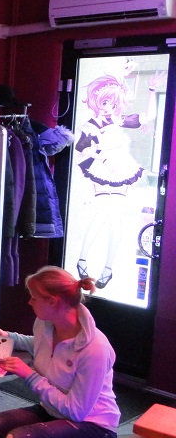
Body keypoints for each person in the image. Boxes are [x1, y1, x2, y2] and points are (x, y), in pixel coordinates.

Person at [0, 266, 120, 438]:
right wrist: (8, 337)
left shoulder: (95, 349)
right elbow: (38, 343)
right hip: (53, 412)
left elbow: (76, 411)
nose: (30, 302)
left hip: (95, 428)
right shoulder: (45, 325)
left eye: (34, 298)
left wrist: (29, 375)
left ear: (53, 301)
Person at [74, 67, 164, 289]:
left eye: (113, 104)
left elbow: (148, 117)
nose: (109, 107)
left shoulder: (118, 120)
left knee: (115, 218)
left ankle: (108, 268)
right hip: (102, 170)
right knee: (102, 214)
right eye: (105, 102)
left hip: (122, 168)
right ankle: (83, 259)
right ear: (96, 101)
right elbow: (83, 148)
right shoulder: (90, 125)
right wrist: (104, 159)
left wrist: (151, 90)